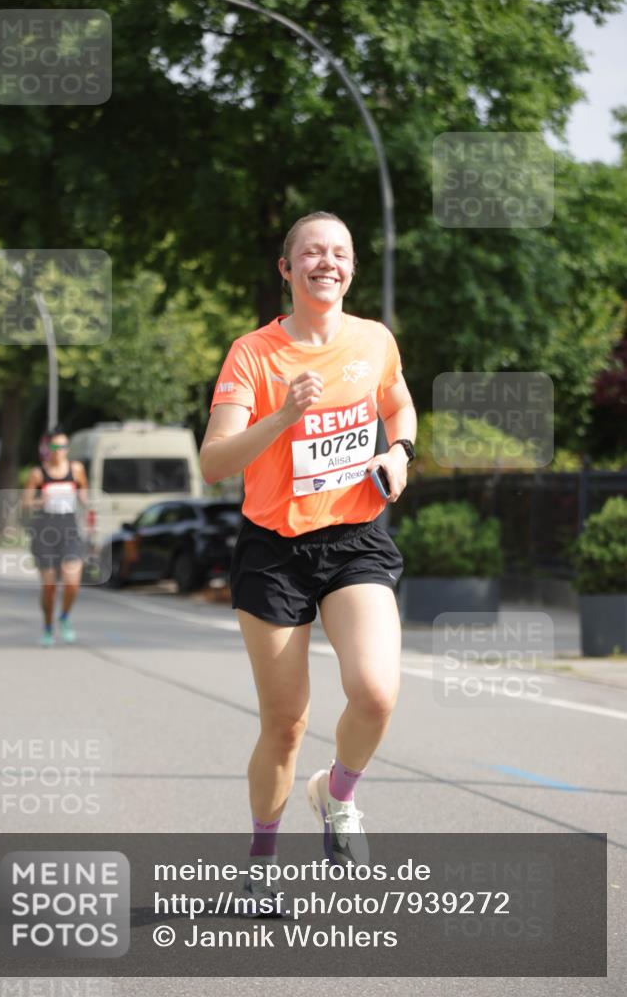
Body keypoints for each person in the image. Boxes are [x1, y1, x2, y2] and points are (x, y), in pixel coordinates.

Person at [200, 211, 417, 903]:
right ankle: (261, 863)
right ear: (286, 269)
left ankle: (338, 793)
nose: (328, 262)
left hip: (354, 537)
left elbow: (399, 408)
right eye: (312, 252)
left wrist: (399, 455)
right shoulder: (253, 354)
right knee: (285, 722)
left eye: (340, 253)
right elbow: (212, 462)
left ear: (351, 267)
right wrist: (283, 417)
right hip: (274, 549)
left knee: (376, 692)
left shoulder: (373, 340)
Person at [23, 426, 88, 647]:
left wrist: (86, 501)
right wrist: (44, 499)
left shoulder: (77, 469)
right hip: (45, 529)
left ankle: (65, 616)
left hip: (69, 527)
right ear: (47, 449)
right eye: (54, 446)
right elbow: (26, 503)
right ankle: (48, 626)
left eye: (62, 446)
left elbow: (84, 494)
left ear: (67, 449)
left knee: (72, 583)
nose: (58, 450)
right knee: (49, 587)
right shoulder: (38, 474)